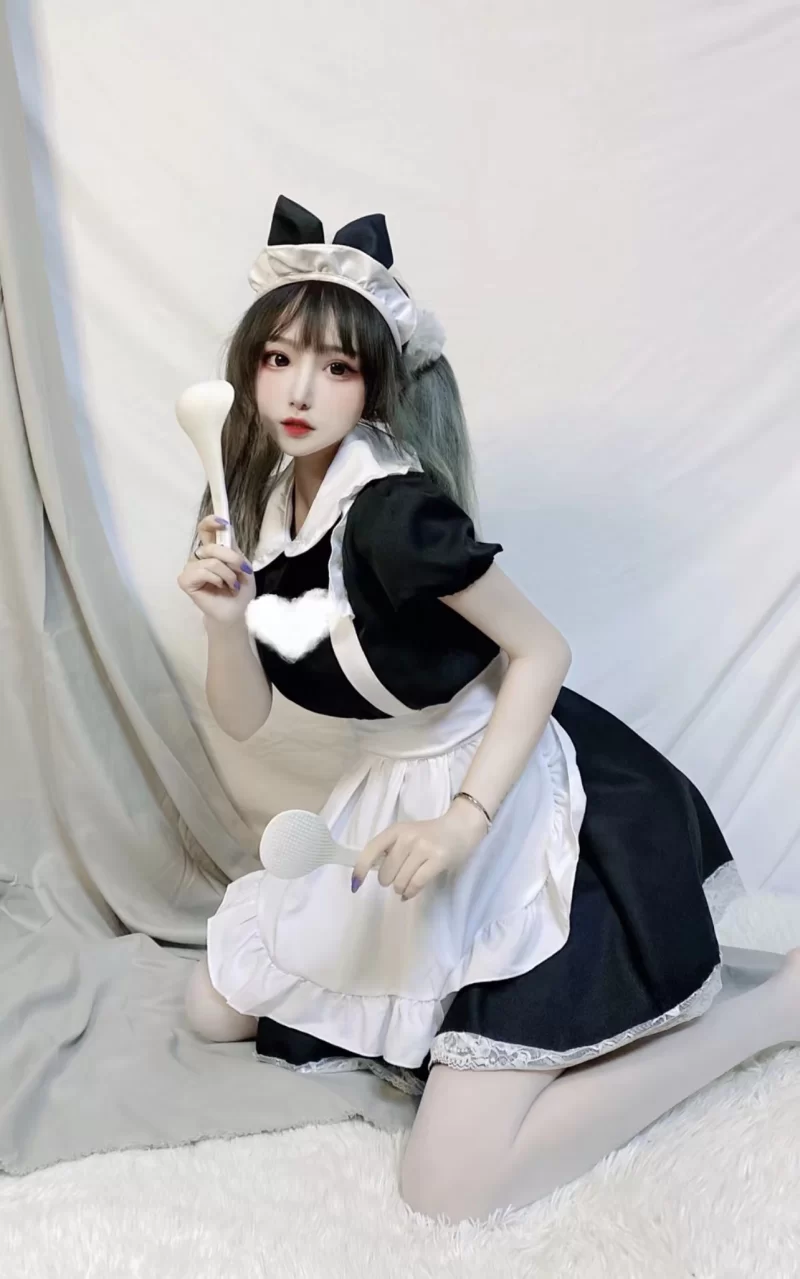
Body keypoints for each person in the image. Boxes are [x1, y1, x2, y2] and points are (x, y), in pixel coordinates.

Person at [180, 195, 798, 1223]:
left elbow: (540, 650)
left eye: (336, 366)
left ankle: (773, 1011)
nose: (300, 389)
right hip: (391, 794)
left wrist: (463, 822)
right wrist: (222, 622)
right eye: (279, 358)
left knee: (447, 1187)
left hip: (509, 798)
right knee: (213, 1007)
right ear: (248, 368)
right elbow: (243, 717)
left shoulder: (395, 515)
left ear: (375, 384)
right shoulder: (263, 507)